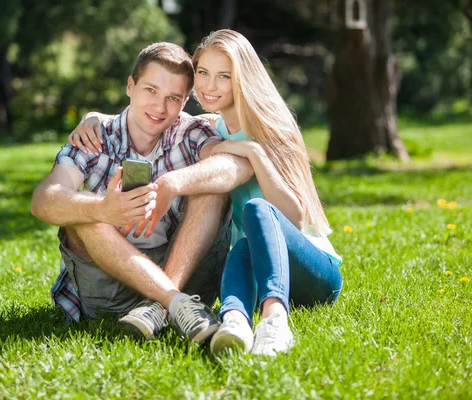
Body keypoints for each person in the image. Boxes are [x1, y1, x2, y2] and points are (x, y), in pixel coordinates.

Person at [70, 30, 343, 357]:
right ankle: (235, 323)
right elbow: (155, 118)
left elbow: (295, 219)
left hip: (311, 270)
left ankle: (274, 321)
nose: (210, 85)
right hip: (258, 263)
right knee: (240, 249)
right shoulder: (212, 128)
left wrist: (254, 153)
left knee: (257, 210)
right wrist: (94, 119)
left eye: (224, 76)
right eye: (203, 73)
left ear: (242, 78)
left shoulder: (273, 128)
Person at [31, 42, 254, 344]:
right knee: (82, 212)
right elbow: (44, 199)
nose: (160, 108)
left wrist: (172, 182)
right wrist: (101, 210)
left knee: (210, 185)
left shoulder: (189, 133)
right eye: (150, 90)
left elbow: (235, 167)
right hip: (108, 288)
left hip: (185, 273)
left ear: (185, 101)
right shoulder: (96, 136)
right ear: (130, 86)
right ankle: (173, 302)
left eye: (172, 98)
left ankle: (160, 306)